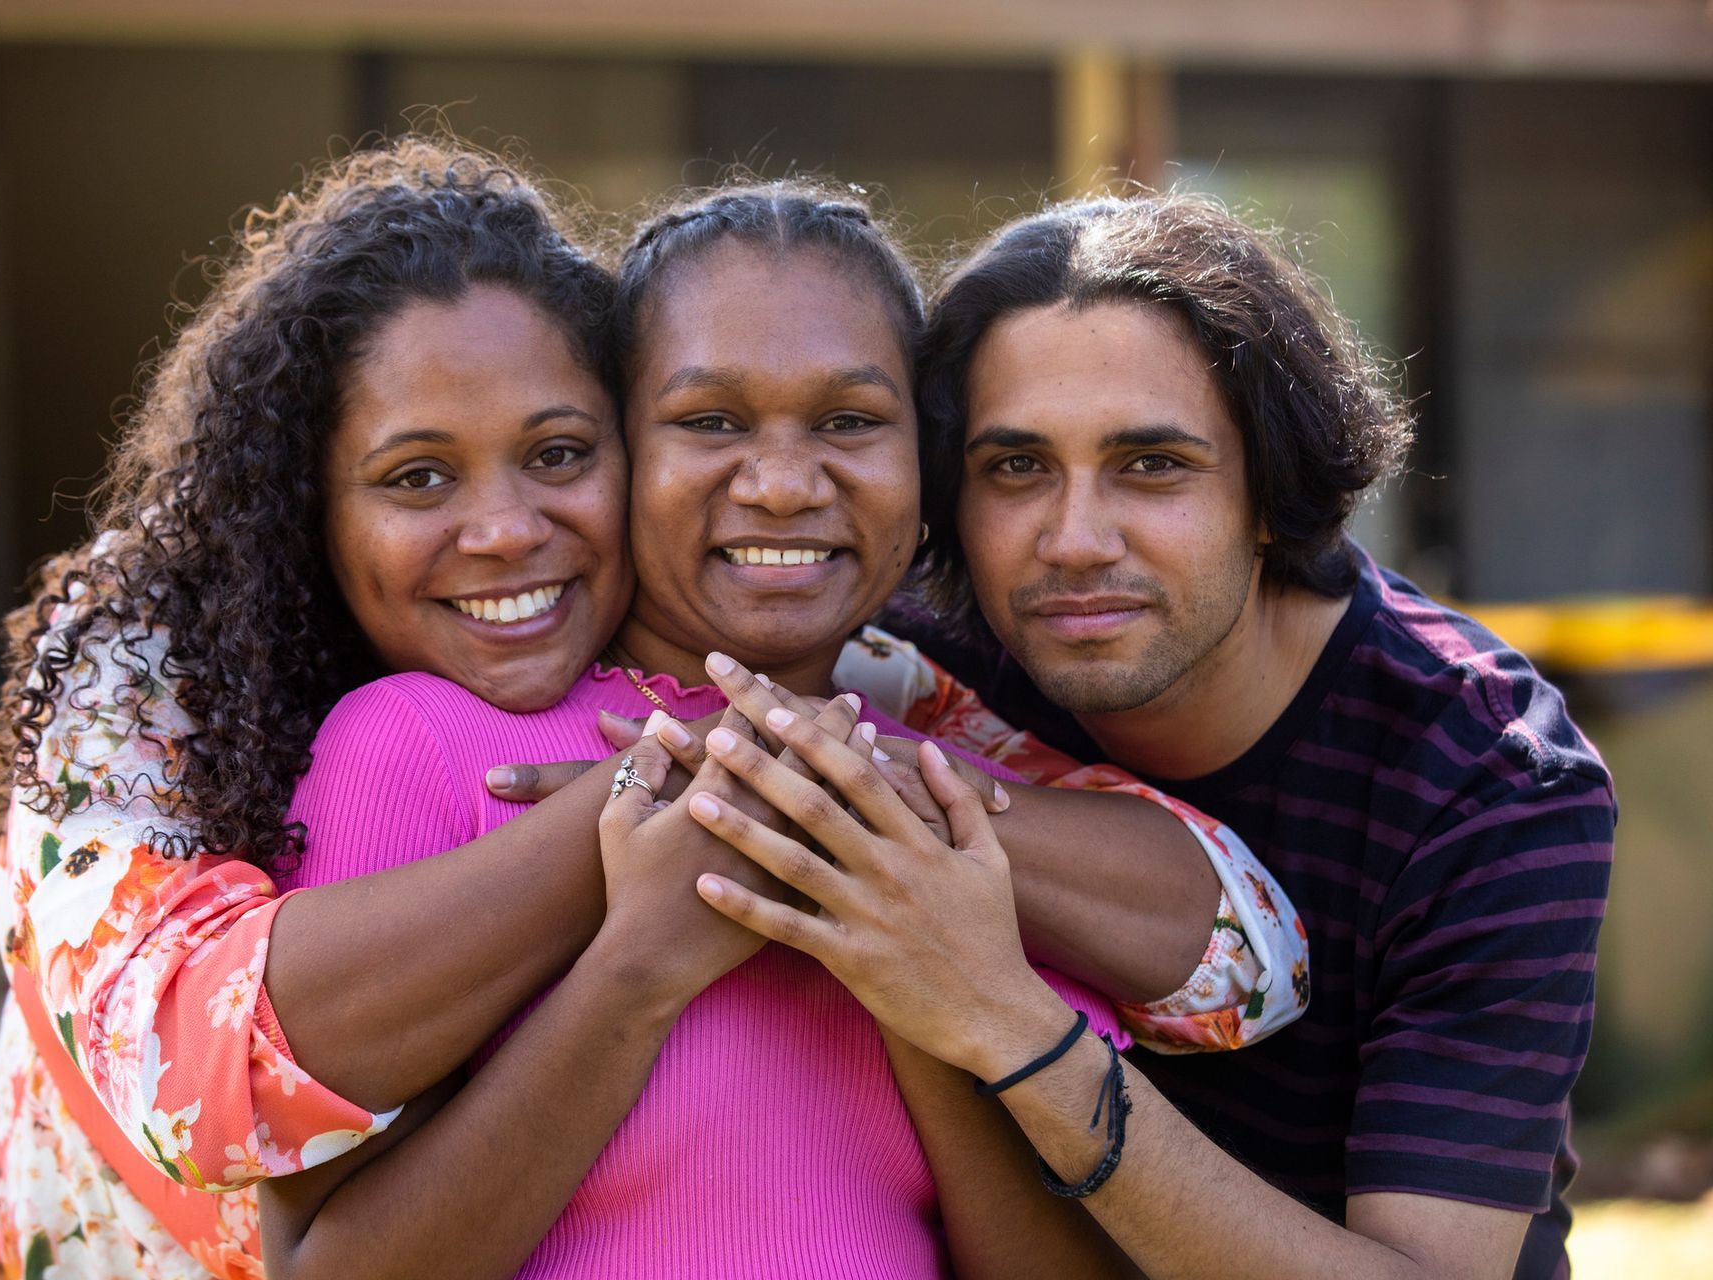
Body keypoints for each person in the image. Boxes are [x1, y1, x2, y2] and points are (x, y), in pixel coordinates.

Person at [0, 145, 1296, 1279]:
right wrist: (640, 858)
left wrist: (851, 827)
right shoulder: (203, 685)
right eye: (414, 479)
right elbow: (202, 1079)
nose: (505, 529)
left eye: (558, 453)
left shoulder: (889, 704)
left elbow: (1239, 944)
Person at [692, 194, 1616, 1280]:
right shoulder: (927, 643)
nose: (1074, 542)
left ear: (1269, 493)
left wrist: (1007, 1022)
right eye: (1016, 468)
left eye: (1152, 466)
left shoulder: (1489, 777)